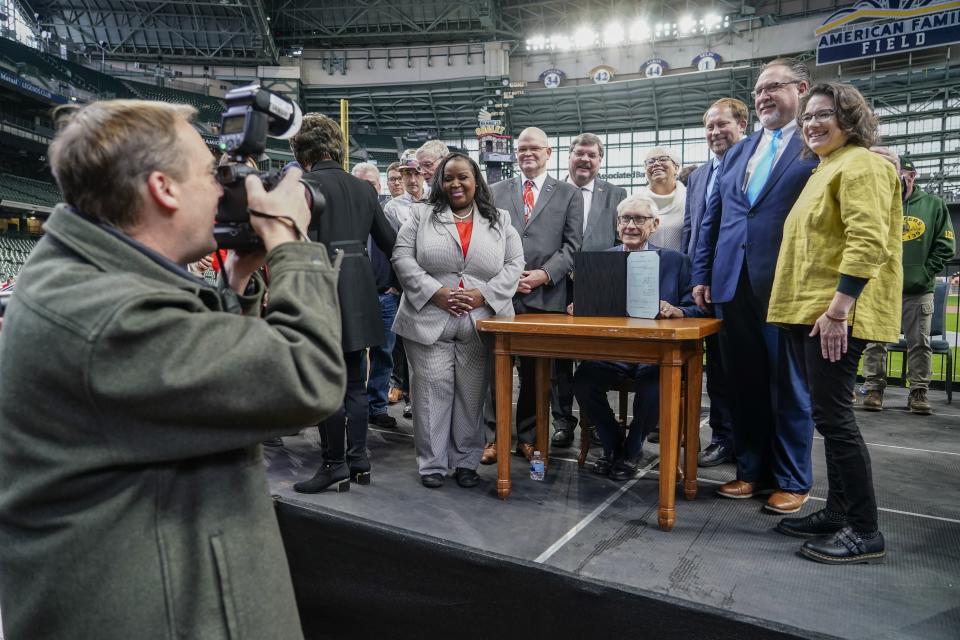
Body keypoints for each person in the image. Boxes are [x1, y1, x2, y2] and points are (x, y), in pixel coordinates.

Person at [0, 100, 346, 639]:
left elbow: (189, 391)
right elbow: (308, 377)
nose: (223, 189)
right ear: (164, 188)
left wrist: (234, 284)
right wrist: (289, 241)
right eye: (213, 174)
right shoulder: (108, 316)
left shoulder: (88, 276)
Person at [767, 82, 902, 564]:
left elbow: (868, 241)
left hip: (834, 315)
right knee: (828, 416)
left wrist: (839, 310)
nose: (812, 124)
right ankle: (840, 512)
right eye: (807, 118)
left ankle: (865, 530)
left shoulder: (862, 163)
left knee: (836, 419)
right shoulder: (829, 167)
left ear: (850, 118)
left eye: (824, 114)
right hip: (813, 311)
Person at [692, 58, 819, 515]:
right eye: (759, 89)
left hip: (786, 284)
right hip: (731, 284)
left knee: (787, 386)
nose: (764, 96)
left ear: (801, 89)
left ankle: (791, 479)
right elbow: (713, 219)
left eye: (774, 87)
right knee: (742, 384)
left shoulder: (816, 145)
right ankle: (750, 472)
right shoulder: (738, 152)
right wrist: (701, 276)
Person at [392, 153, 523, 488]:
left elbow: (514, 264)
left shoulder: (500, 219)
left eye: (462, 177)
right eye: (448, 178)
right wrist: (436, 292)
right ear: (440, 182)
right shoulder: (421, 215)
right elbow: (401, 256)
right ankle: (432, 464)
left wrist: (484, 296)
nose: (455, 184)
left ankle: (466, 461)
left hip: (480, 320)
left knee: (472, 393)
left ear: (476, 180)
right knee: (431, 392)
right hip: (428, 317)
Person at [290, 113, 397, 493]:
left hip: (321, 288)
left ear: (301, 149)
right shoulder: (364, 189)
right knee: (355, 383)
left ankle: (333, 463)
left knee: (327, 386)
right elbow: (390, 242)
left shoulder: (304, 186)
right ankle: (359, 461)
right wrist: (395, 285)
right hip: (359, 290)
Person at [573, 194, 706, 479]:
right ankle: (613, 445)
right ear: (617, 223)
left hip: (657, 354)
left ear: (655, 224)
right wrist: (579, 306)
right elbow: (584, 309)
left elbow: (696, 308)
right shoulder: (601, 261)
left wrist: (677, 310)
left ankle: (632, 451)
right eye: (625, 219)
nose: (631, 225)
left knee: (654, 385)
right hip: (613, 352)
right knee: (583, 380)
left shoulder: (676, 261)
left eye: (639, 219)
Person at [484, 126, 583, 464]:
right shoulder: (494, 191)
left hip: (545, 296)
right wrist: (507, 278)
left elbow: (572, 246)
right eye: (522, 148)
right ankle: (493, 437)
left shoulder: (569, 194)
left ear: (548, 153)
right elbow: (486, 241)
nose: (528, 154)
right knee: (494, 369)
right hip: (501, 294)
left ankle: (527, 437)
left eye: (534, 149)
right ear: (515, 153)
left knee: (535, 373)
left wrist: (543, 275)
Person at [551, 132, 628, 449]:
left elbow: (619, 239)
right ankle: (562, 422)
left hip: (597, 285)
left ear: (600, 160)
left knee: (593, 357)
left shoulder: (616, 193)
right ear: (569, 155)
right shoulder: (553, 192)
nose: (584, 159)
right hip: (556, 284)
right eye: (579, 153)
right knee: (558, 359)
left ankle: (594, 420)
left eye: (591, 155)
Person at [682, 97, 748, 468]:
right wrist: (697, 280)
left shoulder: (750, 168)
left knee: (746, 370)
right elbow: (694, 232)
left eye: (723, 124)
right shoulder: (700, 176)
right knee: (717, 371)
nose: (715, 132)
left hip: (743, 283)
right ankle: (723, 437)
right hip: (705, 288)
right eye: (709, 126)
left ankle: (749, 441)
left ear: (742, 125)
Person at [861, 158, 955, 414]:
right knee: (875, 342)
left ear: (911, 176)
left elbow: (945, 245)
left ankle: (918, 392)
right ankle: (873, 388)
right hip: (880, 288)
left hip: (917, 288)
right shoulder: (878, 203)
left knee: (919, 343)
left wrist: (925, 271)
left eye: (898, 174)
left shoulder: (933, 205)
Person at [353, 162, 401, 430]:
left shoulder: (388, 216)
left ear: (379, 186)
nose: (366, 189)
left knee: (384, 353)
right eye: (360, 184)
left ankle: (377, 406)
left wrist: (395, 284)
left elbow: (400, 251)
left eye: (370, 184)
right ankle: (358, 405)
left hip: (384, 296)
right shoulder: (345, 219)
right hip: (356, 297)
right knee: (356, 353)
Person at [640, 146, 686, 252]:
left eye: (663, 159)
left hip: (682, 265)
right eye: (650, 161)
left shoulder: (690, 200)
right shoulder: (636, 201)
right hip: (644, 265)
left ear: (676, 167)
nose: (656, 164)